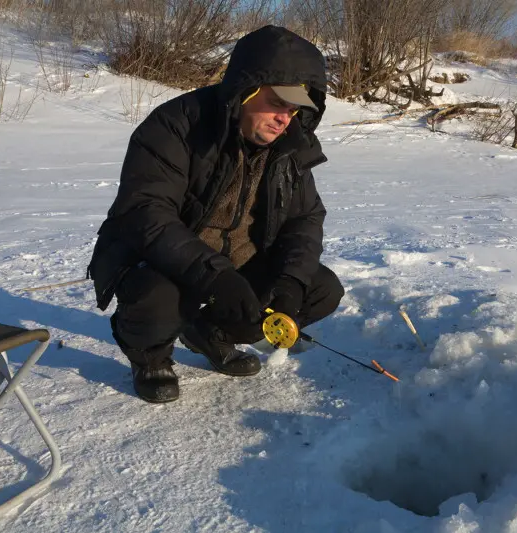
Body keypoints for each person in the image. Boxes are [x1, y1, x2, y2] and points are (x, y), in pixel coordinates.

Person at [87, 25, 344, 403]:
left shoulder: (289, 146)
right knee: (157, 299)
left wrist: (289, 284)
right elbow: (147, 214)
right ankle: (150, 355)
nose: (284, 119)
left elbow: (305, 220)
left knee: (320, 289)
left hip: (236, 259)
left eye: (294, 109)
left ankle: (210, 331)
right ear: (245, 90)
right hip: (160, 257)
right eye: (276, 103)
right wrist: (217, 277)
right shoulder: (175, 126)